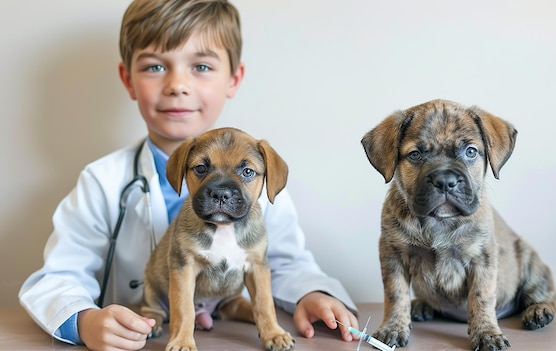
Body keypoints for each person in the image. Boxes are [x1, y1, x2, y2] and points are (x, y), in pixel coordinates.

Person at [18, 1, 358, 350]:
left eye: (200, 65)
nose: (177, 85)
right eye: (154, 66)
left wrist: (313, 293)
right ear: (128, 80)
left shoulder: (262, 175)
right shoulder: (101, 181)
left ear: (233, 79)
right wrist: (84, 321)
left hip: (223, 331)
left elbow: (285, 262)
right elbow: (60, 275)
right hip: (141, 336)